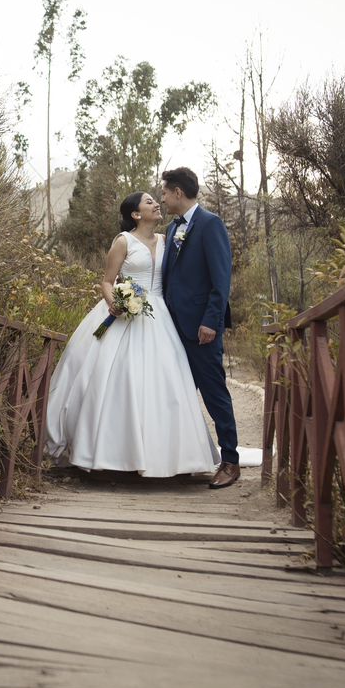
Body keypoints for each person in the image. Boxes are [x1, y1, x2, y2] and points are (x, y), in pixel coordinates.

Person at [45, 191, 220, 477]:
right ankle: (112, 453)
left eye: (156, 199)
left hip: (160, 317)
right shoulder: (123, 241)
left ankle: (171, 455)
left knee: (166, 383)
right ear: (136, 214)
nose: (156, 203)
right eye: (149, 201)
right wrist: (115, 303)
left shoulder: (168, 240)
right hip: (125, 316)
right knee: (118, 380)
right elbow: (106, 281)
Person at [159, 167, 240, 489]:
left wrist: (211, 322)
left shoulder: (210, 224)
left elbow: (221, 280)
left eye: (164, 193)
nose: (162, 198)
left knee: (214, 393)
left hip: (202, 328)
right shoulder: (171, 227)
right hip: (172, 329)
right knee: (177, 394)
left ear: (178, 192)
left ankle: (230, 461)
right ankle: (182, 459)